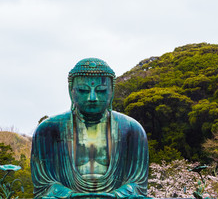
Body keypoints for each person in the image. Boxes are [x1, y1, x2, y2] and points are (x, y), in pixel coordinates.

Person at [31, 58, 149, 199]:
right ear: (71, 91)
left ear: (111, 92)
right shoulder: (49, 129)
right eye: (83, 90)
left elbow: (137, 184)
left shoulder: (131, 129)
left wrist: (116, 195)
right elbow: (44, 185)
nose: (92, 97)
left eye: (101, 91)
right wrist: (69, 195)